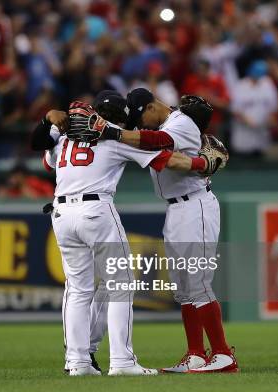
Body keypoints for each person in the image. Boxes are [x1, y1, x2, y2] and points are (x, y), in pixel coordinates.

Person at [32, 90, 222, 376]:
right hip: (96, 210)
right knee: (121, 283)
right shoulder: (113, 137)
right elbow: (163, 157)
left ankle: (78, 361)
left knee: (78, 290)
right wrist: (202, 163)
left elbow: (45, 159)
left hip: (61, 213)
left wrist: (51, 121)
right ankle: (122, 361)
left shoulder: (66, 139)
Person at [82, 88, 237, 373]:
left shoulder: (180, 122)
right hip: (177, 209)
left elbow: (160, 141)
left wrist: (114, 134)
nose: (142, 123)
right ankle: (195, 354)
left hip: (196, 206)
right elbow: (154, 144)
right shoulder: (165, 124)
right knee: (183, 288)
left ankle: (223, 354)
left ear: (153, 106)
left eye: (143, 116)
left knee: (198, 282)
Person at [230, 60, 278, 156]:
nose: (258, 77)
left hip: (262, 132)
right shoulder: (240, 86)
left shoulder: (267, 83)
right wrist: (246, 119)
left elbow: (274, 106)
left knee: (260, 159)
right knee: (244, 160)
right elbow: (234, 109)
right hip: (243, 134)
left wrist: (271, 117)